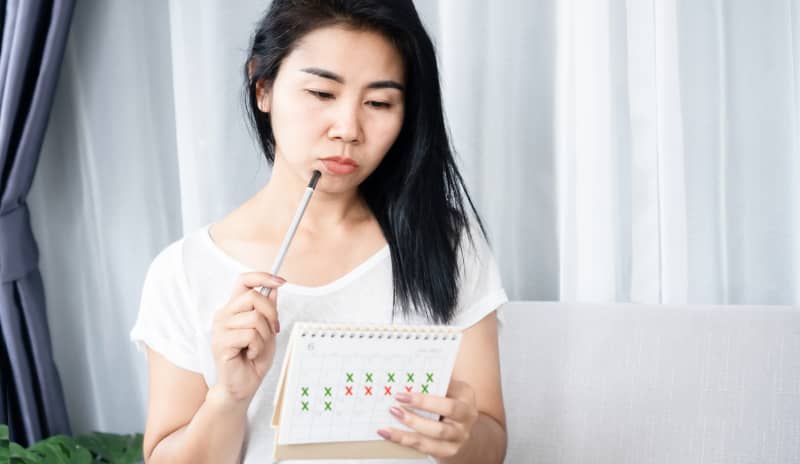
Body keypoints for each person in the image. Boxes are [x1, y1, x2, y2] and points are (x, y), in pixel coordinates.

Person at [130, 1, 508, 462]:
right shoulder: (184, 272)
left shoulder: (447, 243)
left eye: (379, 103)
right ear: (263, 86)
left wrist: (460, 438)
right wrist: (227, 398)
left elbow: (490, 445)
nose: (348, 129)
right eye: (322, 94)